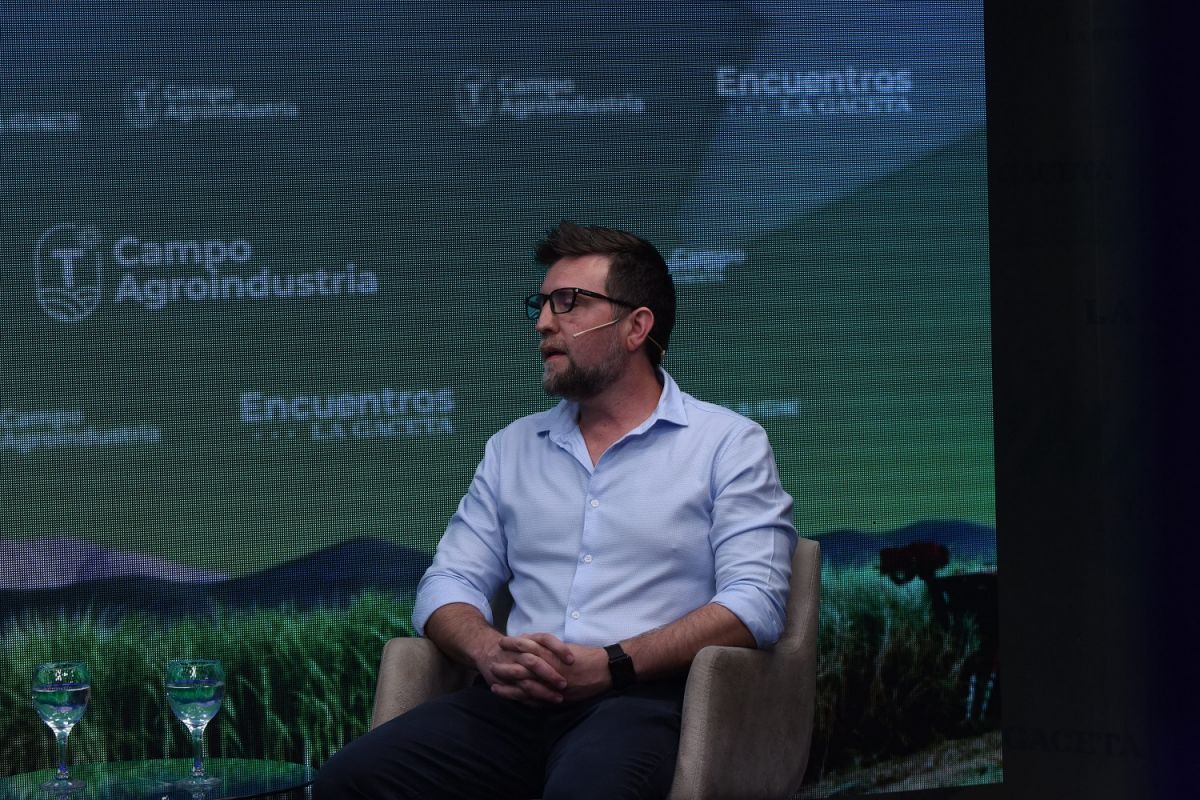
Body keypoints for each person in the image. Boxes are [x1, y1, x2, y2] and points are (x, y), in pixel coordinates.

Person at [314, 222, 797, 799]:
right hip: (509, 705)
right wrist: (490, 652)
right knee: (349, 779)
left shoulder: (727, 442)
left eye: (569, 302)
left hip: (640, 702)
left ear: (636, 326)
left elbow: (754, 605)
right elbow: (446, 583)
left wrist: (609, 664)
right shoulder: (511, 447)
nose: (544, 323)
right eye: (541, 304)